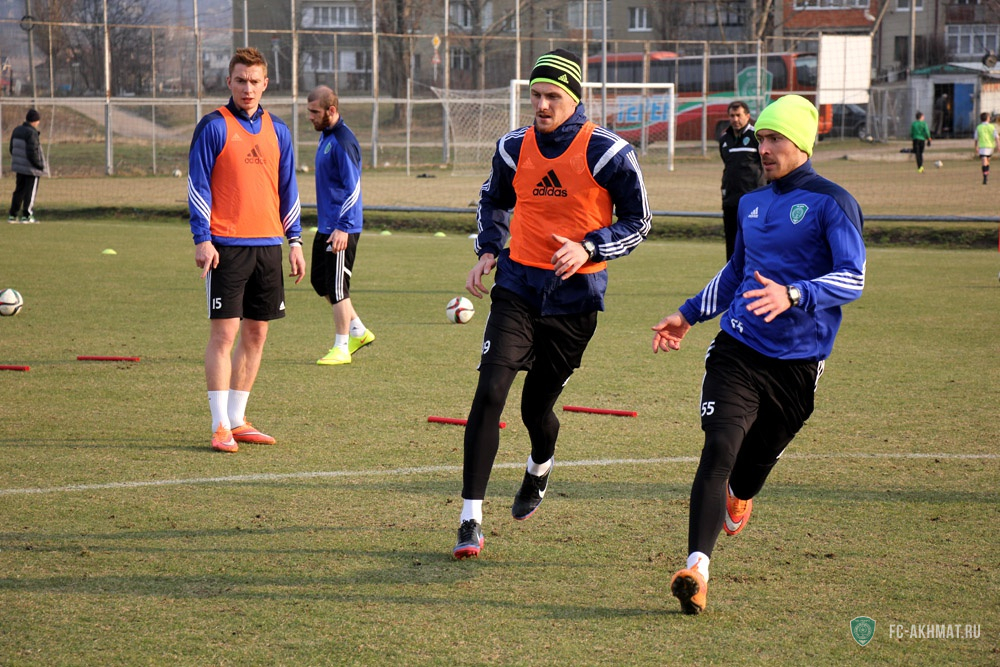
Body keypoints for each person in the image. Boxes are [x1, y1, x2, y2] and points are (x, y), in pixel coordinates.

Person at [650, 94, 866, 615]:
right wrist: (687, 314)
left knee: (747, 472)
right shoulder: (751, 202)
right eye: (760, 139)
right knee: (718, 449)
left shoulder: (832, 202)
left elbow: (852, 277)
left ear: (802, 144)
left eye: (774, 139)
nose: (763, 149)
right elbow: (735, 274)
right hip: (739, 348)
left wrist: (794, 294)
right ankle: (697, 569)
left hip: (798, 365)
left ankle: (742, 493)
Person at [452, 49, 651, 559]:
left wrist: (590, 247)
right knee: (490, 391)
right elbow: (494, 199)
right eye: (536, 95)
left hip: (575, 300)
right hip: (517, 288)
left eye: (552, 97)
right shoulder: (513, 147)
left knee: (534, 408)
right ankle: (470, 518)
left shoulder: (608, 152)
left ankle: (540, 464)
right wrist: (489, 248)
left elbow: (639, 221)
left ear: (574, 99)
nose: (541, 105)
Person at [187, 47, 305, 453]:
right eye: (240, 80)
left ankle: (237, 419)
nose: (247, 88)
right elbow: (198, 185)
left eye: (254, 81)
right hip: (226, 247)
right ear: (229, 82)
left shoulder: (279, 130)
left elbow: (288, 190)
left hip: (269, 246)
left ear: (265, 83)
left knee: (257, 333)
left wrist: (295, 241)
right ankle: (219, 424)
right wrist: (202, 238)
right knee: (224, 334)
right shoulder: (213, 126)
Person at [306, 85, 375, 365]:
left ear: (331, 110)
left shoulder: (343, 140)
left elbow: (353, 187)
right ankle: (358, 331)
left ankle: (342, 347)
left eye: (314, 111)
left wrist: (344, 227)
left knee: (337, 289)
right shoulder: (326, 136)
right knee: (319, 282)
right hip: (327, 226)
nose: (310, 116)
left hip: (342, 228)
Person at [718, 101, 765, 260]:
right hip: (730, 198)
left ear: (748, 116)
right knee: (731, 242)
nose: (735, 119)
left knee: (752, 240)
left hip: (753, 199)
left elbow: (764, 166)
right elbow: (727, 164)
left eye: (739, 115)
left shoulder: (756, 137)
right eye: (732, 116)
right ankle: (731, 274)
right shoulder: (724, 139)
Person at [8, 108, 46, 224]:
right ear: (34, 121)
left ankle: (13, 215)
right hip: (31, 169)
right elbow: (32, 152)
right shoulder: (31, 133)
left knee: (19, 191)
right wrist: (40, 165)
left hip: (19, 167)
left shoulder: (17, 130)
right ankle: (27, 215)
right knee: (30, 192)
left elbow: (12, 148)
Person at [974, 112, 998, 185]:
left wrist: (976, 147)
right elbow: (997, 137)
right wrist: (998, 146)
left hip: (983, 147)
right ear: (988, 118)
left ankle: (985, 175)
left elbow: (976, 138)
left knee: (985, 161)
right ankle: (985, 177)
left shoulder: (978, 127)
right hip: (990, 147)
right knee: (985, 160)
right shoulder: (992, 127)